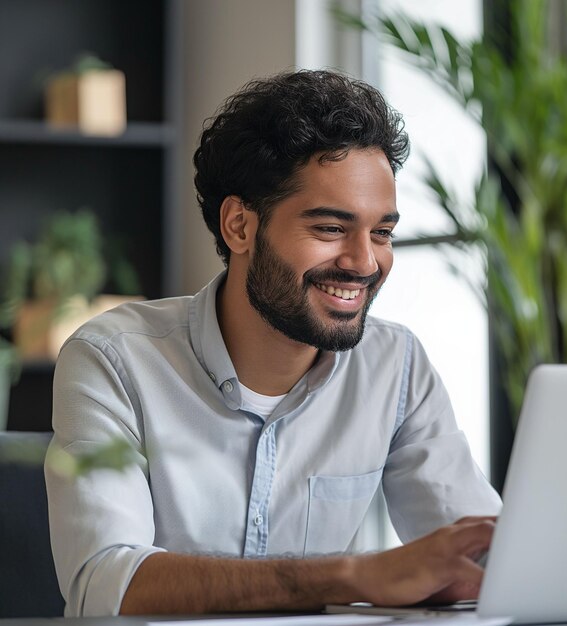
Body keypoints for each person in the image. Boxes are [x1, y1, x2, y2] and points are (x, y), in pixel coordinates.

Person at [45, 69, 501, 617]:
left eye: (381, 233)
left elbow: (482, 560)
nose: (364, 262)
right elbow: (107, 587)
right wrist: (355, 575)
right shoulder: (114, 360)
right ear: (239, 226)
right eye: (331, 228)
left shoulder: (395, 365)